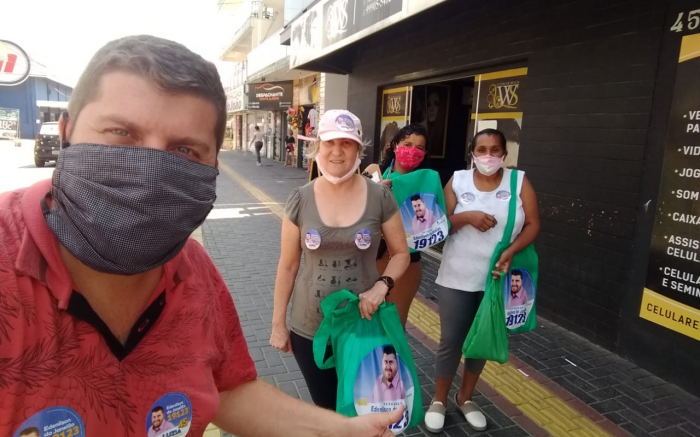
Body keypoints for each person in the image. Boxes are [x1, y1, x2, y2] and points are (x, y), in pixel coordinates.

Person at [0, 35, 405, 437]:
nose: (150, 171)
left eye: (185, 151)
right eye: (121, 133)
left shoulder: (194, 274)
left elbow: (226, 389)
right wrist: (280, 324)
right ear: (66, 132)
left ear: (213, 165)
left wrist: (342, 431)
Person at [270, 109, 410, 411]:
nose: (337, 151)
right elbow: (288, 265)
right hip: (310, 329)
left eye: (346, 143)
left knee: (364, 407)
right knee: (326, 409)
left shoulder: (379, 197)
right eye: (329, 142)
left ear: (358, 149)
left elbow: (401, 253)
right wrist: (278, 324)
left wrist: (382, 286)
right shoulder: (300, 198)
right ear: (317, 146)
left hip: (364, 325)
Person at [424, 128, 540, 433]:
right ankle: (439, 400)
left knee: (482, 339)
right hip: (457, 276)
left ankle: (465, 398)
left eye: (495, 150)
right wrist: (467, 217)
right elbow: (437, 225)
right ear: (472, 154)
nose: (488, 156)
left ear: (504, 154)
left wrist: (512, 251)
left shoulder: (518, 181)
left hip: (496, 278)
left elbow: (533, 223)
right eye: (482, 150)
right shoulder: (458, 180)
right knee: (451, 341)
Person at [369, 124, 430, 326]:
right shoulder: (375, 173)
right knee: (367, 320)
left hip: (406, 265)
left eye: (419, 147)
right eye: (407, 144)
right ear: (395, 146)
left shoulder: (426, 183)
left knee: (394, 325)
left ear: (425, 153)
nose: (412, 150)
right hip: (371, 257)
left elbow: (431, 224)